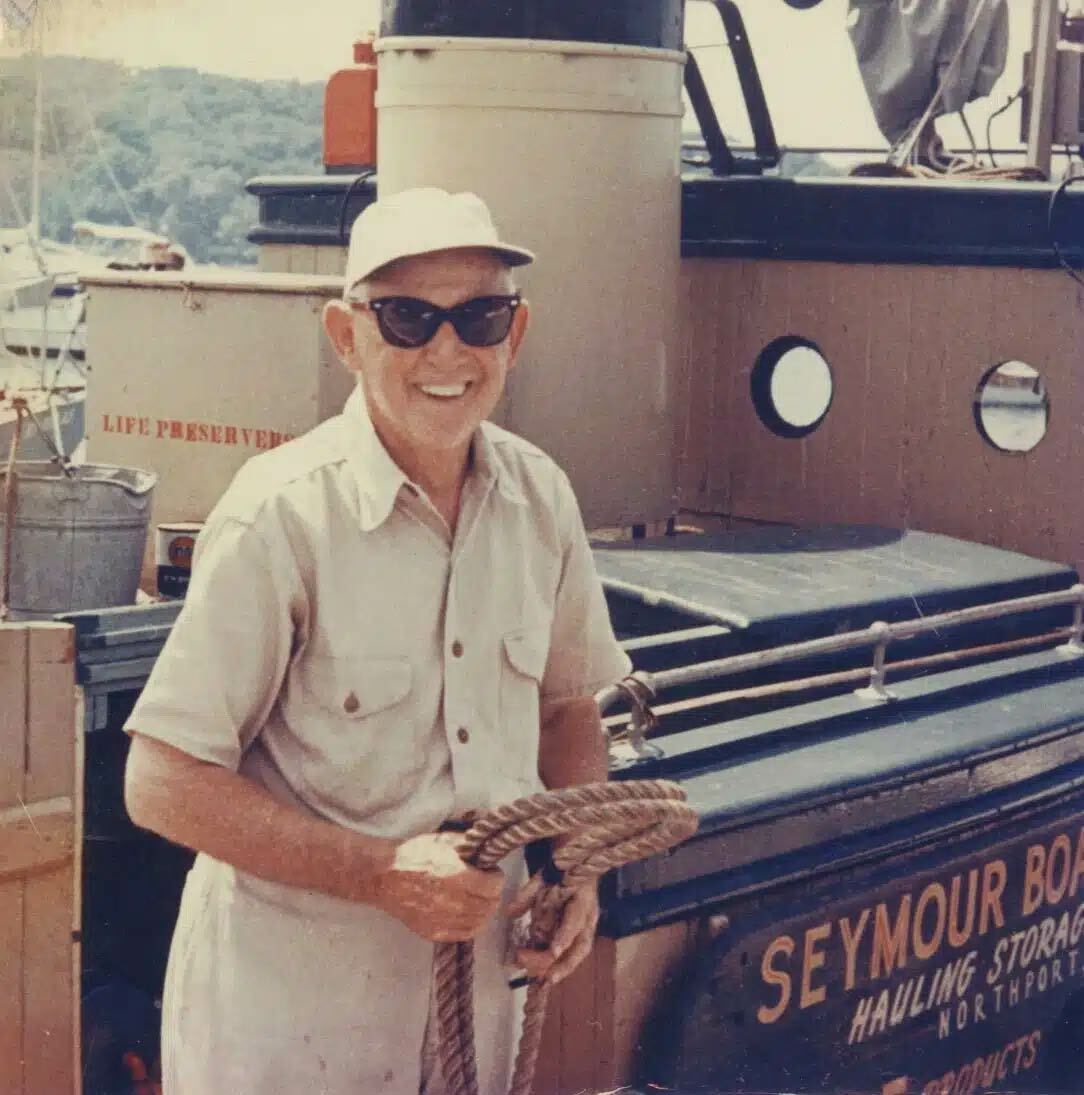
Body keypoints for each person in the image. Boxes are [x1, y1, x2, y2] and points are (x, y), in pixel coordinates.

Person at [123, 186, 632, 1094]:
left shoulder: (542, 498)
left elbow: (564, 709)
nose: (447, 350)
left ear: (515, 335)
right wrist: (385, 873)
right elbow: (161, 783)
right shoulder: (277, 515)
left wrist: (570, 868)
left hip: (473, 1017)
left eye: (479, 316)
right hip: (290, 1034)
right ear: (346, 335)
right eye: (407, 317)